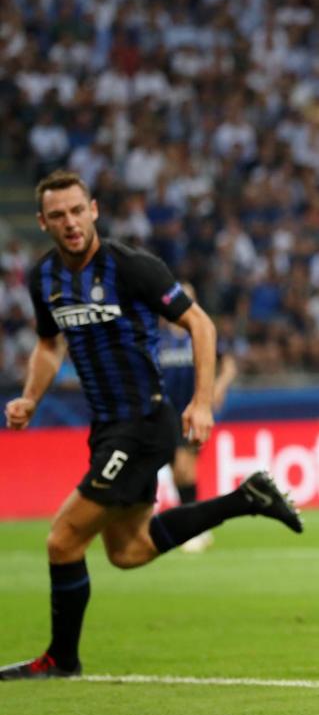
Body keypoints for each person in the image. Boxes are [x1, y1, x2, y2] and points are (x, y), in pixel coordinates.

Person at [1, 170, 302, 681]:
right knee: (128, 551)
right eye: (57, 215)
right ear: (42, 222)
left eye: (77, 211)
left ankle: (61, 660)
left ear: (93, 209)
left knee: (62, 541)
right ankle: (246, 498)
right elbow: (51, 345)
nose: (70, 223)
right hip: (107, 427)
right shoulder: (45, 278)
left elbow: (200, 324)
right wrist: (31, 397)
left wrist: (202, 402)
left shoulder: (133, 267)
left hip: (142, 423)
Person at [156, 283, 238, 553]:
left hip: (193, 411)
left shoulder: (200, 331)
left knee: (183, 465)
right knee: (176, 471)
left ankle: (191, 527)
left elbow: (228, 363)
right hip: (163, 415)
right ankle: (194, 523)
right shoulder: (158, 337)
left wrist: (219, 386)